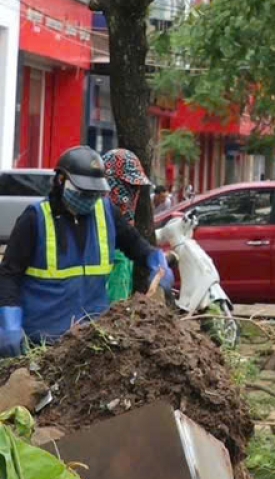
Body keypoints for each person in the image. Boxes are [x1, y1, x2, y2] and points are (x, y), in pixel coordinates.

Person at [0, 147, 166, 354]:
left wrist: (155, 259)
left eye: (94, 193)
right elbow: (9, 275)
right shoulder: (34, 219)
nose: (89, 199)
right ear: (61, 181)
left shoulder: (106, 213)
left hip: (90, 343)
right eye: (83, 192)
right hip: (43, 344)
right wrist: (10, 324)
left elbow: (137, 246)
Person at [102, 149, 171, 304]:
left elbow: (134, 243)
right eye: (128, 185)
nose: (133, 192)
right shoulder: (94, 217)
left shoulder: (124, 227)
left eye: (135, 187)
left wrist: (153, 256)